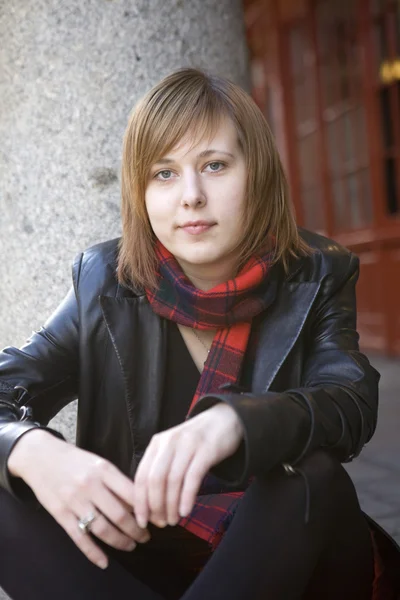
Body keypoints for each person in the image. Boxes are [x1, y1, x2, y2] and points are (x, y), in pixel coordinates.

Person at [0, 68, 397, 600]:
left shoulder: (316, 272)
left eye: (214, 165)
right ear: (139, 190)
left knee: (310, 473)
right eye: (164, 173)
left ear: (255, 172)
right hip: (141, 554)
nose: (191, 196)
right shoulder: (104, 282)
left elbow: (349, 401)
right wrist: (29, 448)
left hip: (289, 557)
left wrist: (238, 422)